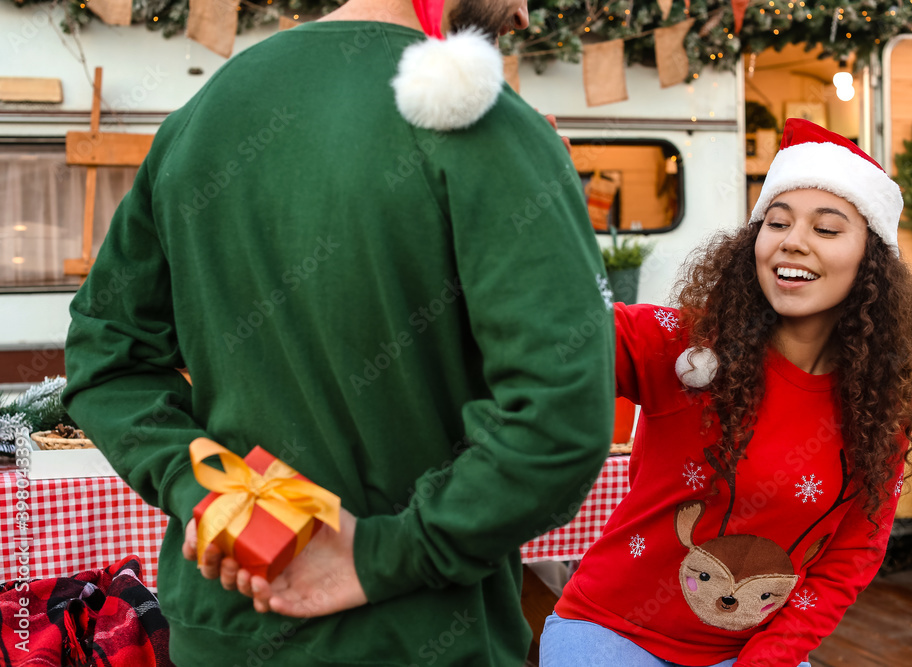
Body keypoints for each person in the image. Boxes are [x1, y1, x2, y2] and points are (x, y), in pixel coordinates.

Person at [61, 0, 617, 663]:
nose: (526, 15)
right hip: (418, 639)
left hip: (222, 632)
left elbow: (104, 355)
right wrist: (377, 556)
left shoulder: (206, 112)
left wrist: (216, 494)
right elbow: (562, 419)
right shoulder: (487, 123)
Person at [539, 119, 912, 667]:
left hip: (749, 653)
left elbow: (852, 554)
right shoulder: (683, 347)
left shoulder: (881, 409)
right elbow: (557, 334)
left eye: (826, 229)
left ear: (870, 263)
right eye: (777, 223)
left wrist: (767, 658)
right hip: (609, 633)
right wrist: (539, 207)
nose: (792, 241)